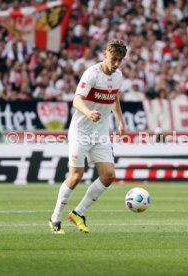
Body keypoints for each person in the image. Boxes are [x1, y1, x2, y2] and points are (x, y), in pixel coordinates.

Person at [49, 39, 127, 234]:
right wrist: (88, 112)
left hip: (100, 133)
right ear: (105, 55)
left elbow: (114, 97)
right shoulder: (92, 74)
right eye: (113, 59)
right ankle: (55, 218)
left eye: (120, 60)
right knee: (76, 176)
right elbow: (76, 99)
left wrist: (120, 121)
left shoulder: (118, 76)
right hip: (80, 131)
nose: (116, 64)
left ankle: (78, 213)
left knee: (109, 175)